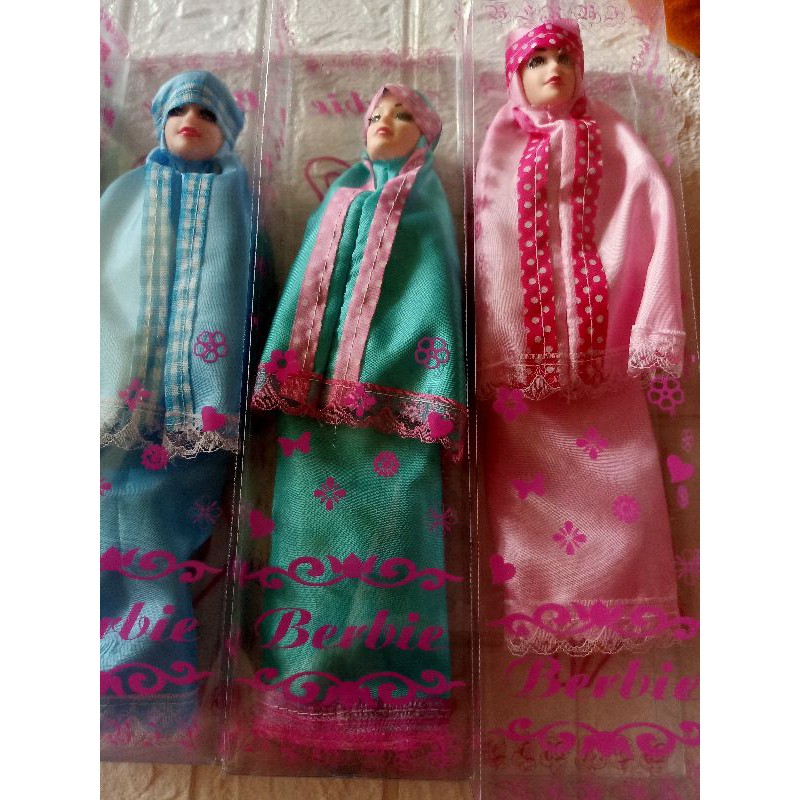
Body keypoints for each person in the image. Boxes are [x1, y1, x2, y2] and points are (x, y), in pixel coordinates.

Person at [246, 84, 466, 753]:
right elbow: (302, 287)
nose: (384, 124)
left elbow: (435, 298)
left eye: (402, 116)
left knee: (392, 545)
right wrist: (280, 368)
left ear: (426, 135)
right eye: (375, 115)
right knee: (304, 546)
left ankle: (394, 691)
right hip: (311, 412)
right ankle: (301, 682)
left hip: (394, 411)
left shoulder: (425, 203)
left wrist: (427, 387)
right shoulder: (339, 197)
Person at [475, 21, 686, 655]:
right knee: (529, 511)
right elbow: (489, 252)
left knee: (627, 483)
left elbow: (655, 210)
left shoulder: (614, 136)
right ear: (515, 76)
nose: (554, 69)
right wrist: (500, 345)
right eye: (536, 59)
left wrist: (651, 326)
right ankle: (545, 616)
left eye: (565, 57)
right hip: (525, 386)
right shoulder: (499, 145)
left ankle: (625, 610)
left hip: (609, 365)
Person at [100, 71, 253, 740]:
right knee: (106, 521)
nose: (192, 119)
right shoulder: (124, 192)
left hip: (198, 411)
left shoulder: (234, 197)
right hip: (115, 399)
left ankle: (147, 680)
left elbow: (240, 290)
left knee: (160, 535)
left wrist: (219, 398)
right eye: (180, 109)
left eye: (207, 113)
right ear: (159, 120)